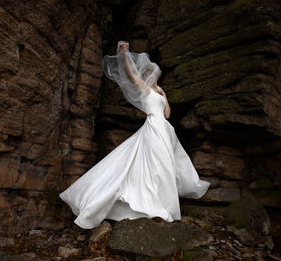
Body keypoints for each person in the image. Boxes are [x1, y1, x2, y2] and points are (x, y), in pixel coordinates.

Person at [59, 41, 210, 229]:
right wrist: (123, 55)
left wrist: (165, 96)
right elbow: (130, 75)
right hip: (153, 127)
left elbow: (168, 114)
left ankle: (164, 206)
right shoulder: (144, 88)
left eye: (150, 72)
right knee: (157, 163)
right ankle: (153, 206)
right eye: (146, 73)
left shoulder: (160, 91)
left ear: (155, 74)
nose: (148, 75)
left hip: (164, 128)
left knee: (165, 165)